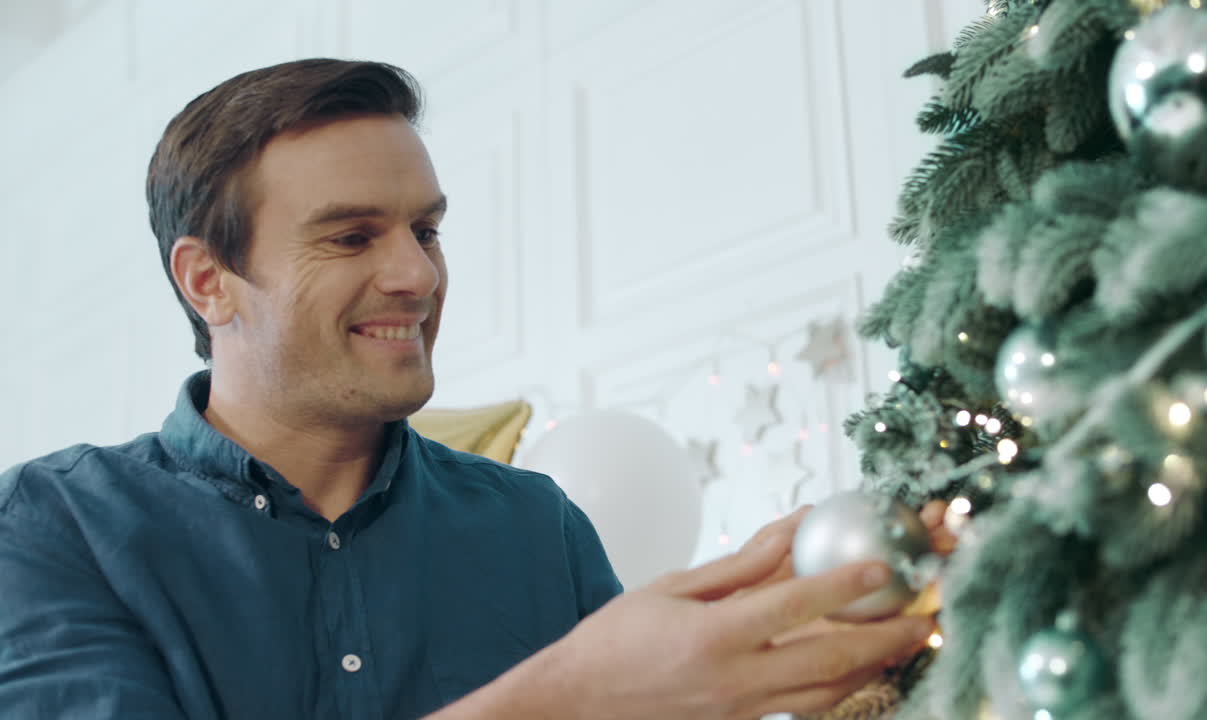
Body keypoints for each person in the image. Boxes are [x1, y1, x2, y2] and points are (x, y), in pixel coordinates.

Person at [0, 59, 943, 720]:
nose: (416, 275)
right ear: (208, 280)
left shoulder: (538, 527)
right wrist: (571, 700)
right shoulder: (51, 528)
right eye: (351, 236)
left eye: (427, 230)